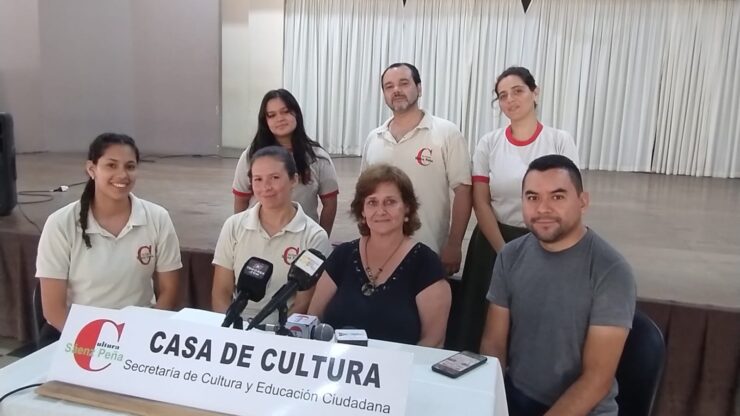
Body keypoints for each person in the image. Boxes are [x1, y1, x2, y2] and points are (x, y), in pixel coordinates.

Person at [480, 155, 636, 416]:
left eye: (557, 196)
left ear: (583, 201)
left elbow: (596, 379)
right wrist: (491, 404)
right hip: (517, 398)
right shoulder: (511, 255)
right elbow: (493, 344)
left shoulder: (611, 271)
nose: (543, 208)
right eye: (532, 197)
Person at [451, 66, 580, 351]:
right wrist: (504, 252)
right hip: (493, 243)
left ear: (535, 92)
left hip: (545, 243)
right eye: (502, 95)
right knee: (482, 322)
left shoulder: (559, 140)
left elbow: (569, 198)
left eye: (518, 91)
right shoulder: (489, 143)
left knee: (533, 322)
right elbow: (481, 202)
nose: (510, 100)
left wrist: (546, 246)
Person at [36, 133, 182, 338]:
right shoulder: (60, 224)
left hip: (138, 334)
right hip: (76, 335)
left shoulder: (158, 218)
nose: (122, 174)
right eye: (111, 165)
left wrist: (142, 336)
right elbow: (53, 309)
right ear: (91, 169)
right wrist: (98, 345)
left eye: (130, 166)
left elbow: (169, 291)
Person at [308, 164, 451, 347]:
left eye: (390, 202)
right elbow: (314, 319)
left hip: (402, 364)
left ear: (407, 208)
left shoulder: (426, 264)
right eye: (372, 202)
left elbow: (433, 340)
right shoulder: (342, 255)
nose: (381, 211)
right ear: (362, 211)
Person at [361, 63, 472, 276]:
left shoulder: (446, 133)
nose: (396, 90)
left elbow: (463, 190)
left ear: (419, 88)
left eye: (404, 83)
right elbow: (365, 195)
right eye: (389, 86)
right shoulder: (374, 138)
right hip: (380, 251)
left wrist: (454, 244)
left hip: (429, 248)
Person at [214, 146, 332, 324]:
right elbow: (220, 292)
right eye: (258, 179)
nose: (266, 187)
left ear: (294, 180)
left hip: (283, 333)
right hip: (235, 329)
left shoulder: (314, 236)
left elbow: (303, 303)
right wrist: (231, 329)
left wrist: (272, 334)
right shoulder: (233, 226)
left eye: (275, 178)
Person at [232, 89, 339, 235]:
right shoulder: (251, 155)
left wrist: (321, 239)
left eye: (286, 111)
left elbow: (330, 204)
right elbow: (241, 199)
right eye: (272, 115)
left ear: (296, 114)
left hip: (302, 238)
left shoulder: (317, 157)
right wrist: (239, 235)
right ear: (265, 121)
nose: (280, 119)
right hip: (257, 236)